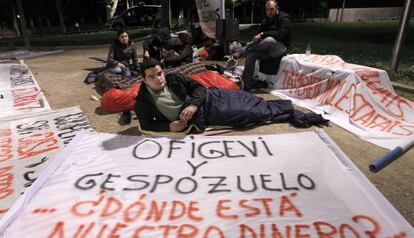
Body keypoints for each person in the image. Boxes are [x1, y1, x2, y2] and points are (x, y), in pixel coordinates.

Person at [135, 58, 328, 133]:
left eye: (159, 73)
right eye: (151, 77)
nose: (158, 79)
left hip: (210, 98)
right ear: (144, 80)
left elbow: (199, 88)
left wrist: (192, 105)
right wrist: (169, 126)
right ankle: (288, 111)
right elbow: (146, 124)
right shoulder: (144, 101)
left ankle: (286, 109)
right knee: (249, 114)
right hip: (209, 113)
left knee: (249, 99)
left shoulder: (174, 78)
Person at [234, 0, 290, 91]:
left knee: (269, 40)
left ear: (277, 8)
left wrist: (263, 34)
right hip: (266, 50)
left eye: (271, 9)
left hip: (281, 48)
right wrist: (258, 37)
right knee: (251, 55)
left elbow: (280, 34)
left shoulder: (284, 18)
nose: (269, 12)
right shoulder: (265, 19)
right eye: (267, 10)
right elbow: (259, 33)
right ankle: (246, 85)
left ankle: (243, 50)